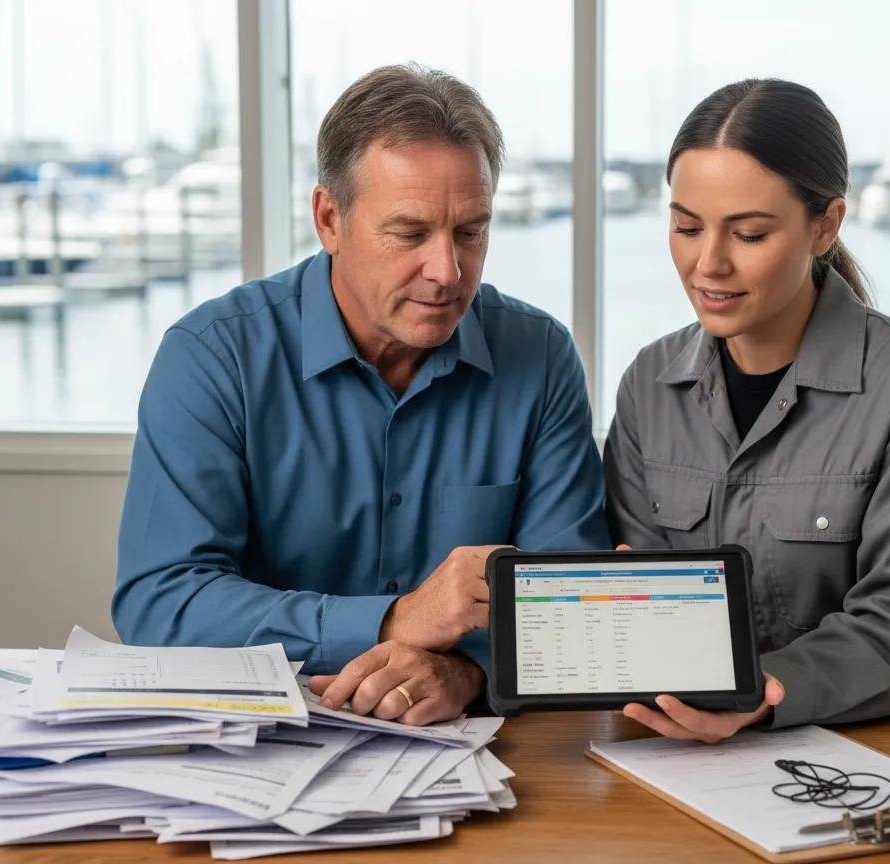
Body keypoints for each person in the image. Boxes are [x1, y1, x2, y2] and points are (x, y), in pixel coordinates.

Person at [113, 65, 610, 727]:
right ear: (330, 219)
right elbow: (160, 602)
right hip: (258, 741)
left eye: (470, 231)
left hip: (471, 746)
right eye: (409, 233)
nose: (446, 271)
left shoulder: (541, 357)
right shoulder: (212, 356)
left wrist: (465, 672)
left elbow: (569, 606)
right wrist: (395, 620)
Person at [604, 79, 890, 741]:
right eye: (685, 227)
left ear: (825, 226)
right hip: (674, 752)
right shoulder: (649, 384)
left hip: (873, 752)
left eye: (750, 234)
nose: (708, 265)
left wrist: (757, 696)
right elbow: (638, 598)